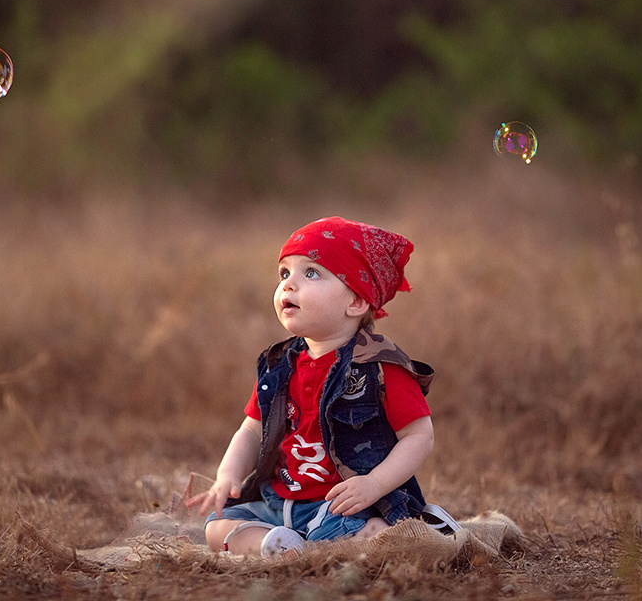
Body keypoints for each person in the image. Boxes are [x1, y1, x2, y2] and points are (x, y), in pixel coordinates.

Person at [186, 216, 460, 556]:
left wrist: (374, 484)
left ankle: (414, 528)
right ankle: (280, 545)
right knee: (217, 527)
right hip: (279, 503)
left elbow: (419, 436)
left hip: (346, 505)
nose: (288, 285)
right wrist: (228, 474)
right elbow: (252, 430)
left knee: (366, 535)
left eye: (311, 273)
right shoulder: (278, 366)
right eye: (284, 273)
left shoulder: (380, 367)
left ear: (356, 302)